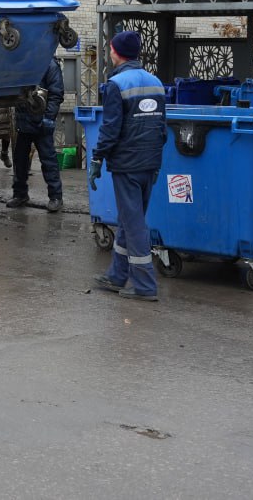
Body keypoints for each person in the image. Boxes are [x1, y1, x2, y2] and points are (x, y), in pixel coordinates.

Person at [90, 30, 168, 301]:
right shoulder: (156, 82)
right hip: (151, 162)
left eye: (110, 49)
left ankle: (145, 285)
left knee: (134, 223)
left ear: (116, 52)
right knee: (128, 218)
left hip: (127, 163)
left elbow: (110, 129)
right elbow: (162, 127)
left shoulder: (116, 84)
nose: (109, 53)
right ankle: (117, 276)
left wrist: (97, 158)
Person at [6, 57, 64, 212]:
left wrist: (48, 118)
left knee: (48, 161)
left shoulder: (50, 65)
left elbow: (56, 94)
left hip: (41, 123)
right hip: (24, 122)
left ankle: (56, 197)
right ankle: (20, 195)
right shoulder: (23, 62)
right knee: (20, 161)